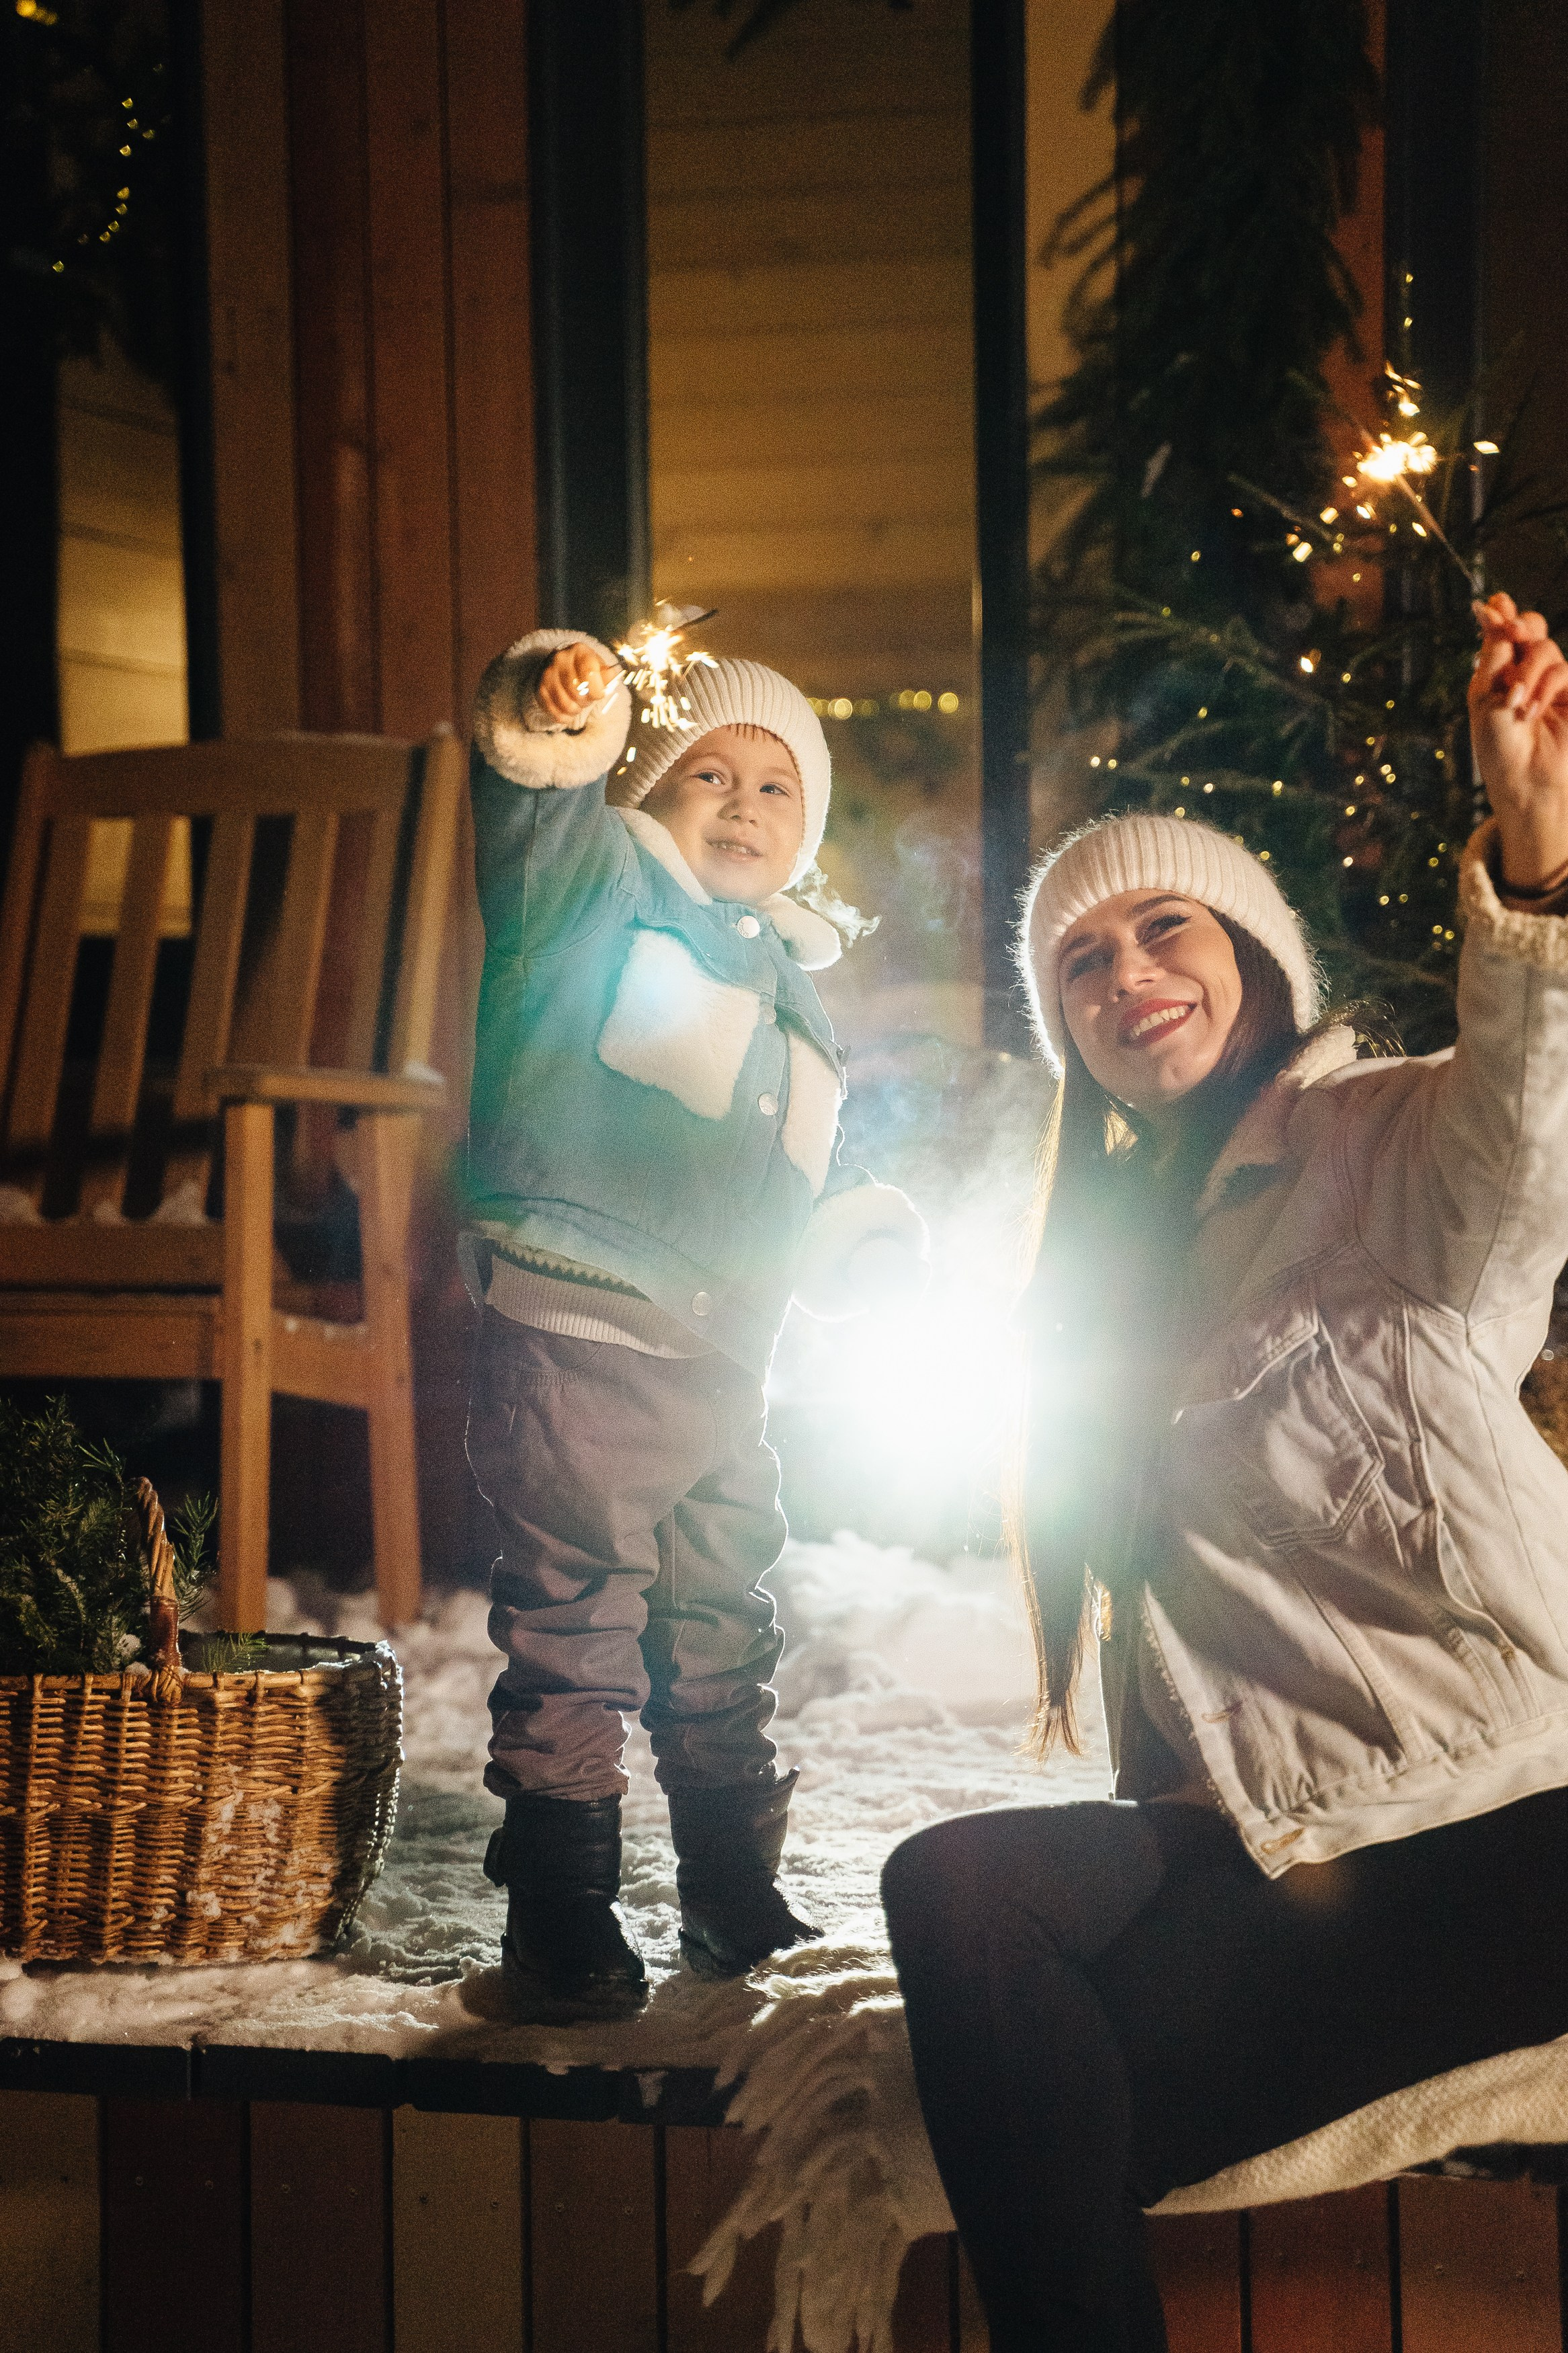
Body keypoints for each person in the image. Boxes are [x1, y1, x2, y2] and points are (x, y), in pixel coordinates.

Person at [880, 594, 1568, 2352]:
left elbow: (1525, 1106)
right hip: (1294, 1846)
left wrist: (1533, 859)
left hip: (1502, 1809)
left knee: (1063, 2059)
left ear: (1254, 951)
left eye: (1159, 928)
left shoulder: (1390, 1141)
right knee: (957, 1896)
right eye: (1079, 967)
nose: (1124, 980)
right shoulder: (1111, 1268)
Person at [464, 626, 927, 2023]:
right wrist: (563, 720)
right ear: (644, 791)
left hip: (726, 1357)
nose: (738, 802)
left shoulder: (791, 980)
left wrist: (862, 1245)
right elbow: (536, 809)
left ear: (810, 831)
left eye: (775, 787)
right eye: (704, 773)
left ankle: (729, 1883)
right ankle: (562, 1906)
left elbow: (799, 1159)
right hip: (582, 1324)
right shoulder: (594, 891)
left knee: (725, 1611)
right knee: (575, 1618)